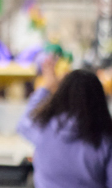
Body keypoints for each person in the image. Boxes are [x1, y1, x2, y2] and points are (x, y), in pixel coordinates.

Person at [17, 57, 112, 187]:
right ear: (99, 100)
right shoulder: (105, 139)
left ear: (61, 95)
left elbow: (25, 120)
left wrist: (47, 87)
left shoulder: (43, 128)